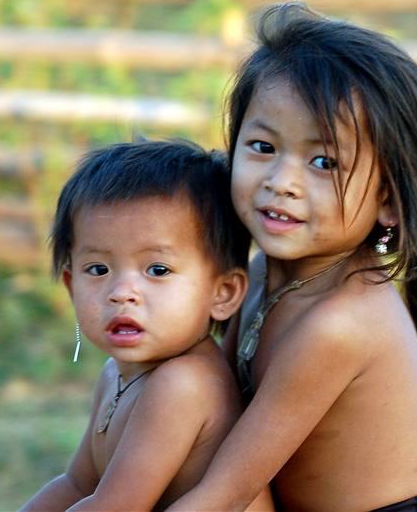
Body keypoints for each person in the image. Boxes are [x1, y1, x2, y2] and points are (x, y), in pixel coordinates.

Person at [168, 3, 417, 511]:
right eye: (262, 146)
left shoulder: (341, 324)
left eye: (324, 162)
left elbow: (222, 498)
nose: (282, 182)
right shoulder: (256, 279)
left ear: (387, 199)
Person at [20, 140, 274, 512]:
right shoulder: (115, 374)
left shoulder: (184, 383)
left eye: (157, 270)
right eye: (99, 269)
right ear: (72, 286)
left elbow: (115, 507)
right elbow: (78, 484)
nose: (123, 293)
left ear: (222, 293)